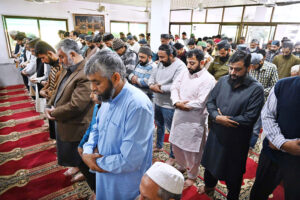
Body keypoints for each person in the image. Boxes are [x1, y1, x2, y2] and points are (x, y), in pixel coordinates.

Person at [82, 49, 154, 200]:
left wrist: (94, 161)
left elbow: (130, 160)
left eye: (97, 82)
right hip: (103, 173)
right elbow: (96, 128)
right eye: (91, 82)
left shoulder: (137, 105)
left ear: (115, 77)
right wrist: (87, 152)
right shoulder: (108, 97)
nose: (93, 88)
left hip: (126, 182)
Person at [199, 50, 264, 200]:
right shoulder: (222, 81)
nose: (232, 72)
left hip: (236, 140)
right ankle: (209, 186)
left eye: (238, 69)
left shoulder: (256, 89)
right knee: (210, 165)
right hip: (216, 135)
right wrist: (216, 116)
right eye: (231, 68)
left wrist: (225, 120)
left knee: (233, 174)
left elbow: (250, 118)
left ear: (249, 68)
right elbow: (210, 102)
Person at [44, 39, 95, 188]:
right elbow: (58, 89)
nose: (59, 60)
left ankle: (97, 191)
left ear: (72, 54)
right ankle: (83, 174)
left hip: (78, 126)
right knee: (76, 158)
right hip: (66, 121)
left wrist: (55, 112)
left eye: (61, 57)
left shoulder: (86, 71)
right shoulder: (68, 66)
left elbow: (76, 106)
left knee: (84, 161)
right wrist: (49, 104)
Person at [169, 49, 216, 188]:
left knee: (192, 152)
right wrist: (177, 102)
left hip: (194, 121)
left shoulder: (208, 79)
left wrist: (183, 105)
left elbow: (201, 102)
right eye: (187, 62)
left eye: (192, 63)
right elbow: (174, 87)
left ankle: (192, 176)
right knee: (177, 146)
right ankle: (182, 166)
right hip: (178, 116)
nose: (188, 66)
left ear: (202, 62)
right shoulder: (184, 72)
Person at [250, 75, 300, 200]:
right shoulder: (282, 85)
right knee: (259, 190)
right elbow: (267, 115)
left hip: (297, 163)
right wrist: (281, 143)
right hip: (272, 154)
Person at [148, 44, 186, 165]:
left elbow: (177, 85)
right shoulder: (160, 63)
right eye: (159, 57)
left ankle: (174, 156)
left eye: (163, 57)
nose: (160, 60)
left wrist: (161, 88)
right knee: (159, 125)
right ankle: (159, 145)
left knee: (172, 131)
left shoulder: (180, 66)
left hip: (169, 104)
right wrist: (151, 86)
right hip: (157, 100)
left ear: (171, 55)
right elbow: (151, 77)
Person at [248, 52, 278, 149]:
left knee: (256, 127)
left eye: (254, 65)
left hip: (263, 101)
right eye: (250, 66)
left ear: (261, 62)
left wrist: (259, 92)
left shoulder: (271, 68)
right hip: (249, 100)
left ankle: (251, 145)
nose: (252, 68)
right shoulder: (250, 67)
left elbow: (274, 86)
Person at [35, 40, 63, 139]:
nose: (42, 61)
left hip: (57, 102)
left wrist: (48, 93)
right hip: (51, 100)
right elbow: (49, 82)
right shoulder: (53, 66)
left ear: (50, 53)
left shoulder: (61, 67)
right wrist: (43, 90)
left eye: (43, 58)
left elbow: (59, 89)